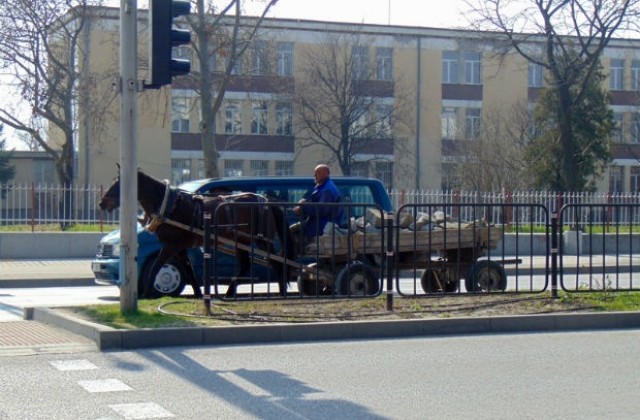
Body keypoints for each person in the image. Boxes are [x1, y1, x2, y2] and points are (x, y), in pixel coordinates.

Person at [292, 164, 343, 244]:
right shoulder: (321, 187)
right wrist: (302, 208)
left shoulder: (327, 189)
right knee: (294, 231)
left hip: (323, 227)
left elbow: (322, 209)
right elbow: (314, 204)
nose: (314, 175)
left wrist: (304, 205)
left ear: (325, 174)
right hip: (316, 224)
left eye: (317, 173)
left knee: (294, 235)